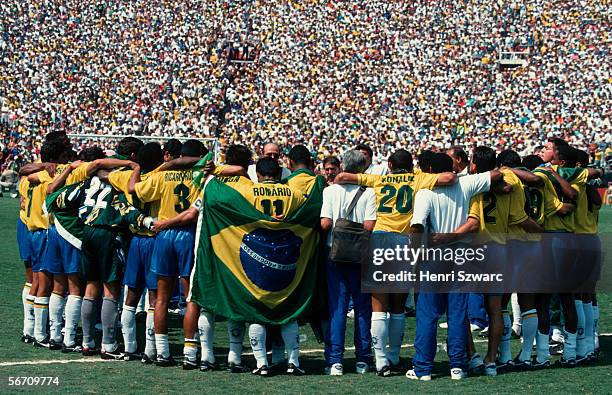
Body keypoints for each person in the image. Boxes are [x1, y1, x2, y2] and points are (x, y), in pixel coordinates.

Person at [335, 149, 457, 376]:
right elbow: (449, 177)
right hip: (404, 240)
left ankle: (381, 360)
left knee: (378, 303)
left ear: (390, 164)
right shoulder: (418, 178)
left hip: (379, 239)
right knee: (399, 304)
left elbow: (343, 177)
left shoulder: (379, 179)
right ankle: (393, 355)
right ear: (411, 166)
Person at [407, 153, 504, 381]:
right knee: (458, 314)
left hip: (433, 256)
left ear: (430, 170)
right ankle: (458, 366)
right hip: (460, 254)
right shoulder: (466, 184)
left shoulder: (425, 192)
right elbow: (497, 174)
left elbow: (418, 225)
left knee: (427, 315)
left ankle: (423, 368)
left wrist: (414, 255)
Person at [131, 139, 207, 366]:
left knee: (161, 298)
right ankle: (191, 353)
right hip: (187, 235)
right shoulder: (200, 176)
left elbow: (135, 190)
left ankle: (162, 351)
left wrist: (143, 168)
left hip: (163, 236)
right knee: (190, 297)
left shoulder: (161, 175)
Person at [107, 142, 165, 361]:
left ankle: (130, 347)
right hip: (154, 239)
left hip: (135, 241)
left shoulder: (126, 177)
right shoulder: (161, 178)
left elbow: (105, 173)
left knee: (130, 297)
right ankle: (151, 349)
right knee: (155, 298)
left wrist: (132, 167)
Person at [320, 150, 376, 376]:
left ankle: (335, 360)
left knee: (338, 307)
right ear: (363, 168)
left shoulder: (330, 191)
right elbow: (370, 225)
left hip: (335, 252)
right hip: (361, 254)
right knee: (363, 308)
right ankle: (363, 359)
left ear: (343, 165)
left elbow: (325, 223)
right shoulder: (369, 192)